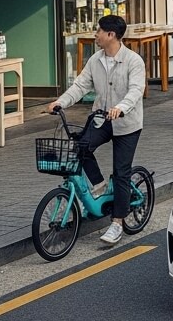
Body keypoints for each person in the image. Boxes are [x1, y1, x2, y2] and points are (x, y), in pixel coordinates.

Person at [46, 15, 146, 246]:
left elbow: (135, 90)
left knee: (121, 172)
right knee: (80, 147)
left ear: (111, 35)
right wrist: (60, 102)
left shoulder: (133, 61)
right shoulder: (95, 60)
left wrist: (120, 108)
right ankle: (100, 185)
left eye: (99, 31)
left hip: (127, 123)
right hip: (102, 119)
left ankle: (117, 223)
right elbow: (80, 86)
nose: (95, 34)